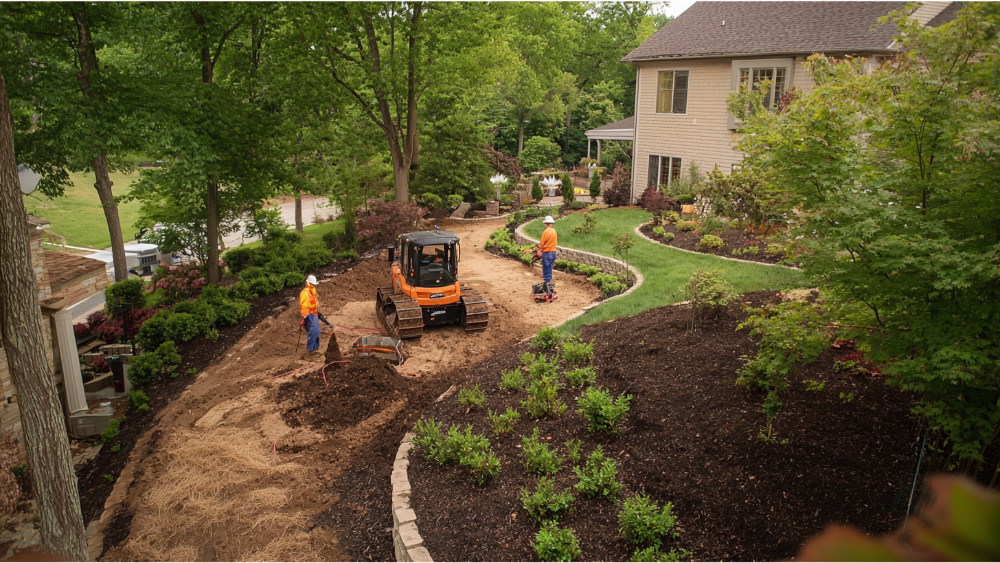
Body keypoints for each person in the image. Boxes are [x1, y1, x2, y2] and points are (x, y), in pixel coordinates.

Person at [299, 275, 322, 360]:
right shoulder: (304, 293)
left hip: (313, 313)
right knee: (314, 330)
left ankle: (315, 349)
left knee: (317, 331)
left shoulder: (313, 291)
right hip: (309, 314)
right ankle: (310, 350)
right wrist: (306, 316)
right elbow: (304, 306)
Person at [539, 216, 558, 298]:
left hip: (546, 253)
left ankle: (548, 292)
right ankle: (549, 289)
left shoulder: (546, 232)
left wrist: (540, 249)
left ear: (546, 223)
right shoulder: (554, 231)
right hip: (553, 252)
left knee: (546, 271)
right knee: (549, 270)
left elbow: (542, 244)